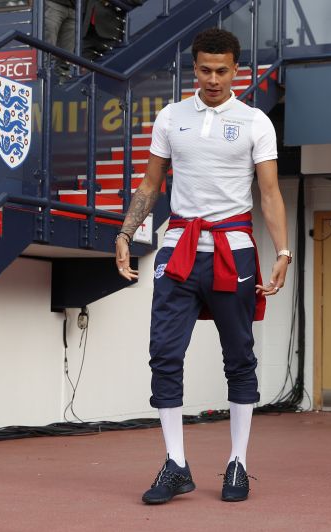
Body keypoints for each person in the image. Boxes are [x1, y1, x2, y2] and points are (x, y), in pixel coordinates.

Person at [114, 27, 291, 505]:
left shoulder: (255, 121)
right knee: (164, 355)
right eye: (205, 70)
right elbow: (150, 184)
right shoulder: (171, 117)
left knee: (240, 358)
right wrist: (125, 233)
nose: (213, 79)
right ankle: (175, 464)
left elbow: (269, 192)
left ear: (236, 71)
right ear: (194, 69)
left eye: (222, 71)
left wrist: (283, 252)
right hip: (179, 248)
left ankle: (238, 463)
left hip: (234, 249)